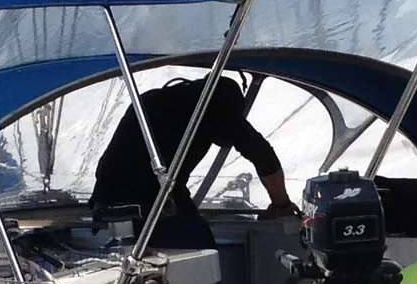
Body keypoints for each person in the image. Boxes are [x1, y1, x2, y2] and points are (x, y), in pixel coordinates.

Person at [89, 75, 294, 249]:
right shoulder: (213, 106)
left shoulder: (157, 100)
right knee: (204, 252)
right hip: (147, 205)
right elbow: (262, 154)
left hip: (104, 204)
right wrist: (281, 203)